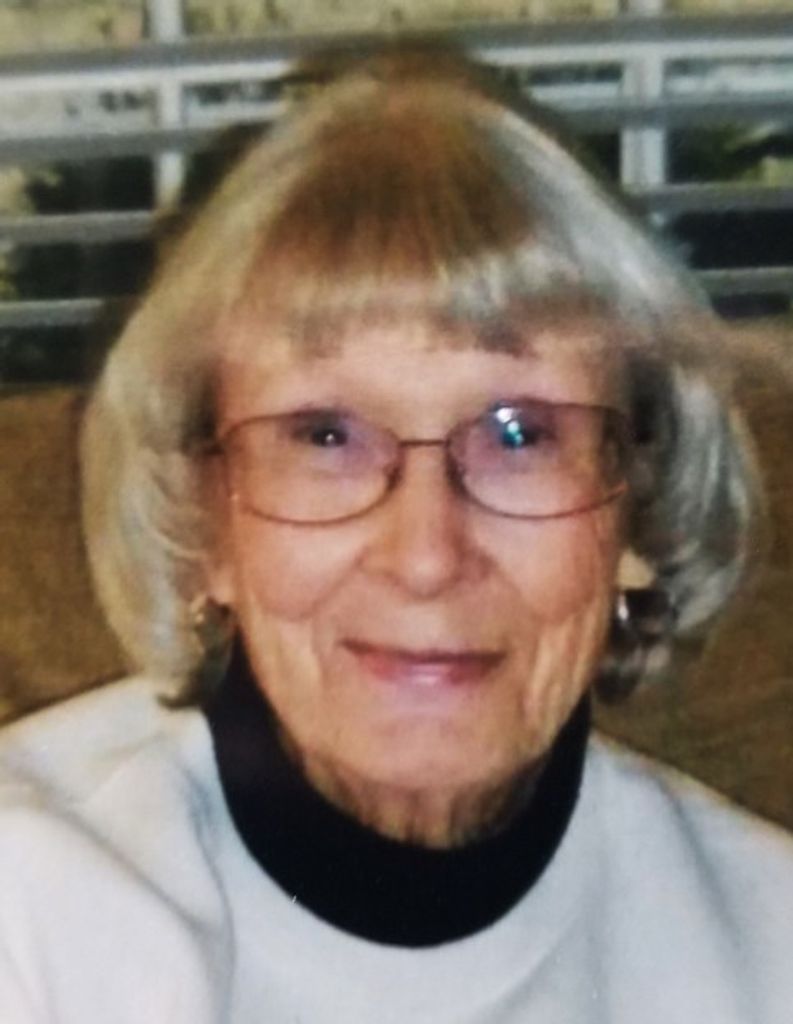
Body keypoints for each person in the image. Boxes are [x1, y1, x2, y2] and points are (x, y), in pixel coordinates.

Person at [1, 48, 792, 1023]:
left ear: (640, 502)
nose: (424, 556)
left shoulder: (767, 952)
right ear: (204, 519)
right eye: (325, 436)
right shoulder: (28, 914)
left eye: (519, 434)